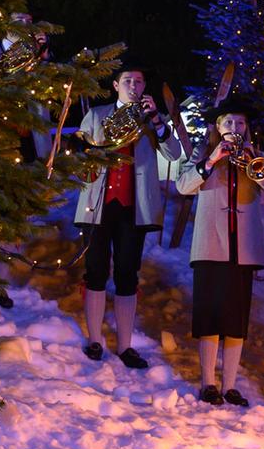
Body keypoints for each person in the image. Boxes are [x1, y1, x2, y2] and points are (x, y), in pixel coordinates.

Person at [73, 68, 183, 369]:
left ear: (145, 85)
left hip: (132, 207)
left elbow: (174, 154)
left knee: (126, 273)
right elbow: (80, 151)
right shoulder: (97, 114)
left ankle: (124, 346)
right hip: (98, 203)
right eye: (127, 81)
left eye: (138, 81)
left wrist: (158, 121)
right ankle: (95, 339)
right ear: (115, 85)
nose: (133, 86)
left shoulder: (152, 119)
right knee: (95, 270)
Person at [175, 94, 264, 408]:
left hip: (243, 249)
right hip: (210, 247)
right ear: (218, 126)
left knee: (235, 318)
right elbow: (183, 186)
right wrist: (211, 160)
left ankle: (230, 385)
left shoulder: (257, 156)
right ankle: (208, 383)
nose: (234, 127)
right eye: (228, 122)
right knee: (209, 316)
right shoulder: (203, 154)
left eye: (240, 122)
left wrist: (257, 164)